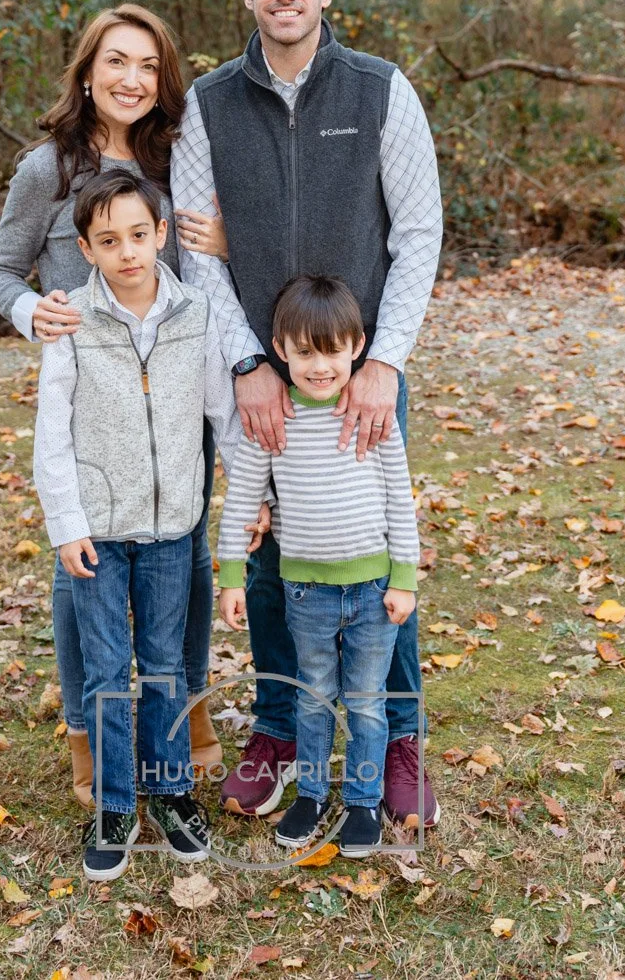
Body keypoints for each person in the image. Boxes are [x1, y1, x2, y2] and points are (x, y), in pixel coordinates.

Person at [170, 0, 444, 831]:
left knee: (371, 555)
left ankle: (396, 738)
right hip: (260, 373)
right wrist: (246, 360)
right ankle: (283, 729)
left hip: (356, 375)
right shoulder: (209, 105)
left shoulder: (379, 90)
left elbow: (418, 235)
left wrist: (386, 362)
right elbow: (195, 246)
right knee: (277, 554)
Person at [0, 4, 230, 808]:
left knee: (184, 556)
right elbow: (0, 270)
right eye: (116, 62)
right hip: (96, 403)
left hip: (180, 388)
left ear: (165, 81)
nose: (132, 80)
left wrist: (227, 244)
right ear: (87, 72)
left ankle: (183, 708)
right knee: (80, 563)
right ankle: (89, 730)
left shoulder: (182, 160)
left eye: (149, 66)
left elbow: (206, 271)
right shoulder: (45, 170)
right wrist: (31, 311)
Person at [33, 170, 242, 880]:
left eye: (138, 235)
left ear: (160, 235)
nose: (127, 252)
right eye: (108, 240)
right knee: (104, 672)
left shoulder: (197, 314)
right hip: (97, 528)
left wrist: (248, 496)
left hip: (172, 528)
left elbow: (225, 416)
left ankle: (172, 790)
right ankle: (115, 805)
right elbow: (51, 434)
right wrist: (65, 524)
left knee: (165, 666)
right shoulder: (71, 323)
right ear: (86, 249)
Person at [217, 275, 419, 856]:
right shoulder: (274, 424)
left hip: (374, 591)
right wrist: (231, 575)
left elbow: (399, 503)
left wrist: (404, 579)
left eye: (331, 350)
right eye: (304, 352)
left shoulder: (372, 419)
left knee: (365, 700)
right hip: (304, 591)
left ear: (357, 345)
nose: (320, 366)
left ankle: (361, 803)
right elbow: (242, 503)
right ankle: (309, 795)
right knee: (311, 695)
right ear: (280, 350)